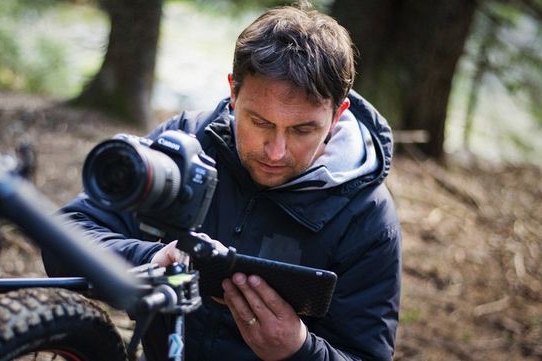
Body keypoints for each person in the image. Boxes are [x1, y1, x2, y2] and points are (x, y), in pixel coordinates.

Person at [43, 2, 401, 360]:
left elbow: (365, 353)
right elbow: (65, 238)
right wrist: (151, 261)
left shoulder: (366, 215)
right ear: (233, 92)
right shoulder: (184, 144)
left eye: (302, 130)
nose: (276, 152)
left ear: (337, 115)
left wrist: (299, 350)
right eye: (259, 122)